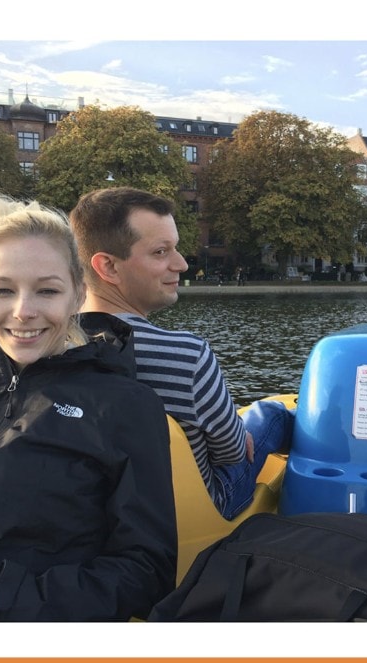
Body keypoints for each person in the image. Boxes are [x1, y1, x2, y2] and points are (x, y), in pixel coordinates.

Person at [0, 194, 177, 621]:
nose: (23, 311)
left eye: (46, 290)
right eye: (3, 290)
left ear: (78, 293)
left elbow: (144, 573)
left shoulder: (125, 407)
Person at [68, 187, 291, 521]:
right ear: (109, 267)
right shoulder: (186, 355)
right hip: (194, 512)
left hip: (101, 515)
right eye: (161, 252)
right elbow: (232, 453)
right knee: (271, 414)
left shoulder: (52, 349)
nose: (182, 264)